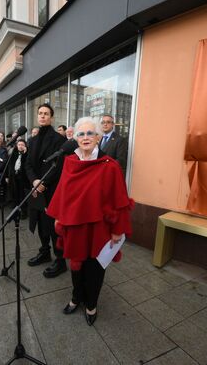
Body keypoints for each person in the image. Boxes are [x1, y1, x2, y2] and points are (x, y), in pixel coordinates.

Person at [47, 116, 132, 326]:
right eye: (81, 134)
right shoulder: (69, 162)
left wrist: (117, 230)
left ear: (98, 137)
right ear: (75, 138)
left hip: (98, 228)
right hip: (75, 226)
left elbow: (120, 200)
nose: (85, 137)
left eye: (90, 133)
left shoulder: (109, 165)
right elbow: (63, 193)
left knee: (94, 269)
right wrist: (59, 217)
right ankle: (76, 297)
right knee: (76, 266)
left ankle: (91, 304)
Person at [25, 104, 67, 278]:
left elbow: (59, 166)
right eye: (40, 113)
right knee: (40, 223)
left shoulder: (58, 139)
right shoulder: (32, 140)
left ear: (51, 117)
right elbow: (28, 164)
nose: (42, 116)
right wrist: (34, 180)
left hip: (51, 190)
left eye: (46, 114)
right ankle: (44, 252)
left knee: (52, 226)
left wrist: (44, 183)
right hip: (36, 189)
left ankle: (60, 260)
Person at [8, 139, 29, 219]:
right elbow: (9, 166)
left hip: (23, 178)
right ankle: (16, 211)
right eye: (19, 144)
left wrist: (25, 153)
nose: (20, 146)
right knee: (15, 194)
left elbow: (26, 165)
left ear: (25, 146)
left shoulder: (27, 154)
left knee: (22, 195)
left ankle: (24, 212)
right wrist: (8, 176)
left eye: (22, 145)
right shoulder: (13, 154)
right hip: (14, 177)